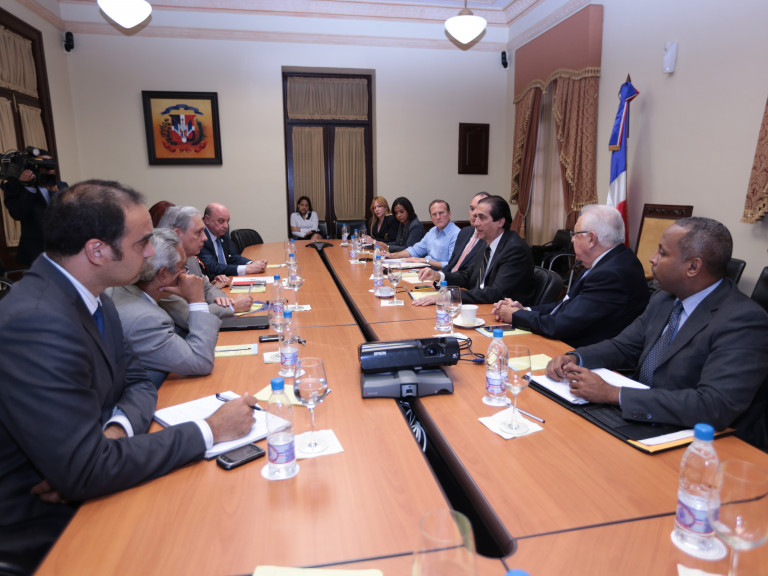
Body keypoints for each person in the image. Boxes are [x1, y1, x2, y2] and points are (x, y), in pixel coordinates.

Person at [0, 180, 257, 573]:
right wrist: (210, 430)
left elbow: (137, 382)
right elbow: (85, 472)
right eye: (142, 243)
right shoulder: (37, 321)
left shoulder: (95, 297)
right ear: (97, 250)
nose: (152, 252)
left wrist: (116, 431)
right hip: (49, 527)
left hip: (96, 478)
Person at [546, 217, 768, 450]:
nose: (652, 258)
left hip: (707, 444)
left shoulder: (744, 321)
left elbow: (714, 406)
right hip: (645, 420)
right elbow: (624, 346)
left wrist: (612, 393)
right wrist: (575, 357)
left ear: (693, 267)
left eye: (662, 252)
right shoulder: (664, 299)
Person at [492, 205, 649, 347]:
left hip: (584, 355)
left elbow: (560, 325)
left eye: (575, 234)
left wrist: (516, 316)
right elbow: (567, 306)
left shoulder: (611, 274)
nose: (572, 239)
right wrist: (524, 310)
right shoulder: (607, 261)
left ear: (591, 239)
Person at [106, 228, 221, 383]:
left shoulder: (122, 288)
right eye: (183, 268)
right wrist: (197, 300)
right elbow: (201, 362)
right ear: (163, 274)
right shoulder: (145, 319)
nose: (187, 275)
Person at [414, 195, 535, 305]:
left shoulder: (514, 249)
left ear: (500, 222)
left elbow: (496, 293)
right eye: (476, 217)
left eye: (481, 218)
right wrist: (438, 275)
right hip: (483, 305)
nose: (476, 223)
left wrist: (448, 296)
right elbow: (468, 276)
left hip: (504, 313)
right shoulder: (486, 243)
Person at [158, 205, 252, 320]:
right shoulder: (163, 271)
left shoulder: (190, 259)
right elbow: (187, 316)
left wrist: (225, 301)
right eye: (199, 232)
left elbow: (207, 288)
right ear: (177, 235)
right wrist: (232, 306)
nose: (205, 238)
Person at [1, 149, 67, 266]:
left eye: (51, 165)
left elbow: (71, 213)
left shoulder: (61, 185)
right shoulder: (15, 187)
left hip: (62, 250)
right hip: (34, 253)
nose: (49, 169)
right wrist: (28, 187)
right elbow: (18, 214)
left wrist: (56, 194)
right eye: (44, 165)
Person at [199, 202, 267, 280]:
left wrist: (253, 264)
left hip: (228, 279)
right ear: (207, 219)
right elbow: (213, 267)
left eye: (227, 221)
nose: (226, 226)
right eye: (221, 221)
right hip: (214, 282)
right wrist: (246, 269)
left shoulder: (222, 232)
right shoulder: (200, 237)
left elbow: (233, 256)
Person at [388, 199, 459, 269]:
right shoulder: (433, 231)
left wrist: (426, 261)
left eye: (441, 213)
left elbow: (452, 265)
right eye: (434, 214)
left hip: (441, 274)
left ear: (449, 214)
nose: (438, 217)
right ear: (431, 217)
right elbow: (415, 250)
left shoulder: (457, 234)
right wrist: (391, 255)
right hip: (426, 270)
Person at [445, 191, 490, 275]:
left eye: (479, 210)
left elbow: (470, 275)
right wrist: (438, 275)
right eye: (472, 209)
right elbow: (451, 264)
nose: (474, 214)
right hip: (447, 279)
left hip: (462, 281)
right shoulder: (465, 232)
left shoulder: (488, 239)